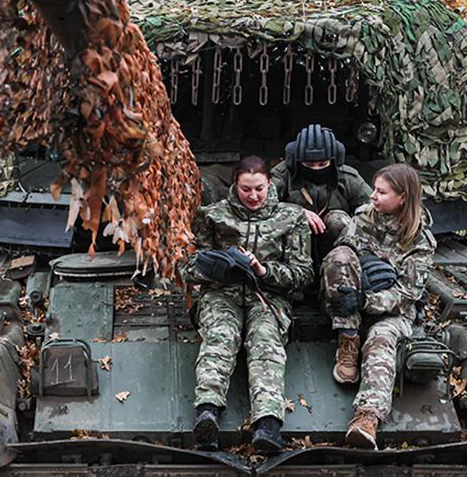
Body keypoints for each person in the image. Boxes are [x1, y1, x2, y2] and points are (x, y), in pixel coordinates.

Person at [182, 156, 313, 454]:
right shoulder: (211, 216)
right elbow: (185, 266)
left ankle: (267, 425)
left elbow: (304, 274)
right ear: (234, 186)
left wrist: (263, 271)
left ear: (270, 184)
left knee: (266, 342)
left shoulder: (291, 218)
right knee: (220, 336)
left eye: (259, 189)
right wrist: (212, 267)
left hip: (267, 296)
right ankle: (207, 414)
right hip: (221, 293)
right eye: (245, 189)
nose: (253, 196)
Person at [320, 162, 436, 449]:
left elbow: (407, 293)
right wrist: (355, 287)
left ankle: (366, 420)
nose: (373, 196)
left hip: (392, 310)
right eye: (374, 189)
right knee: (340, 256)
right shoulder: (362, 217)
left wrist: (367, 301)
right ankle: (348, 341)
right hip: (350, 302)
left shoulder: (421, 241)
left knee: (381, 342)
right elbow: (342, 253)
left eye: (381, 192)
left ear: (403, 198)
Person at [270, 125, 372, 264]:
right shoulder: (282, 176)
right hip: (292, 244)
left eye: (323, 164)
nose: (316, 169)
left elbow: (372, 210)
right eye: (309, 164)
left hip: (336, 248)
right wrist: (296, 213)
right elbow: (263, 206)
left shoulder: (347, 178)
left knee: (338, 220)